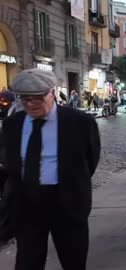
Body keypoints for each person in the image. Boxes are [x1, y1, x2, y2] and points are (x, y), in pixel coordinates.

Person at [2, 68, 100, 270]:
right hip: (27, 204)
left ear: (52, 93)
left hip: (66, 203)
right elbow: (10, 161)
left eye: (37, 99)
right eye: (25, 99)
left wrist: (72, 185)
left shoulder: (80, 122)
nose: (30, 104)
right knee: (27, 262)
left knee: (73, 261)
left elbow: (89, 161)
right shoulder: (13, 124)